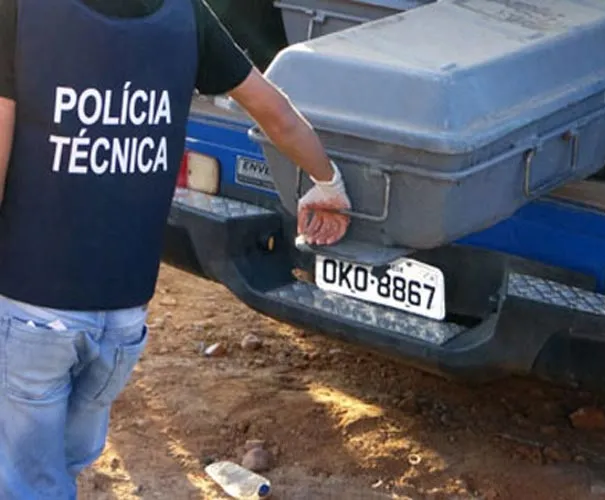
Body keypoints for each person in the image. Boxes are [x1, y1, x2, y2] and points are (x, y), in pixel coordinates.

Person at [0, 0, 351, 498]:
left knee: (29, 481)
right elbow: (276, 114)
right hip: (123, 318)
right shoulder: (186, 14)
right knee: (59, 466)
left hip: (30, 306)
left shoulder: (19, 12)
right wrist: (327, 181)